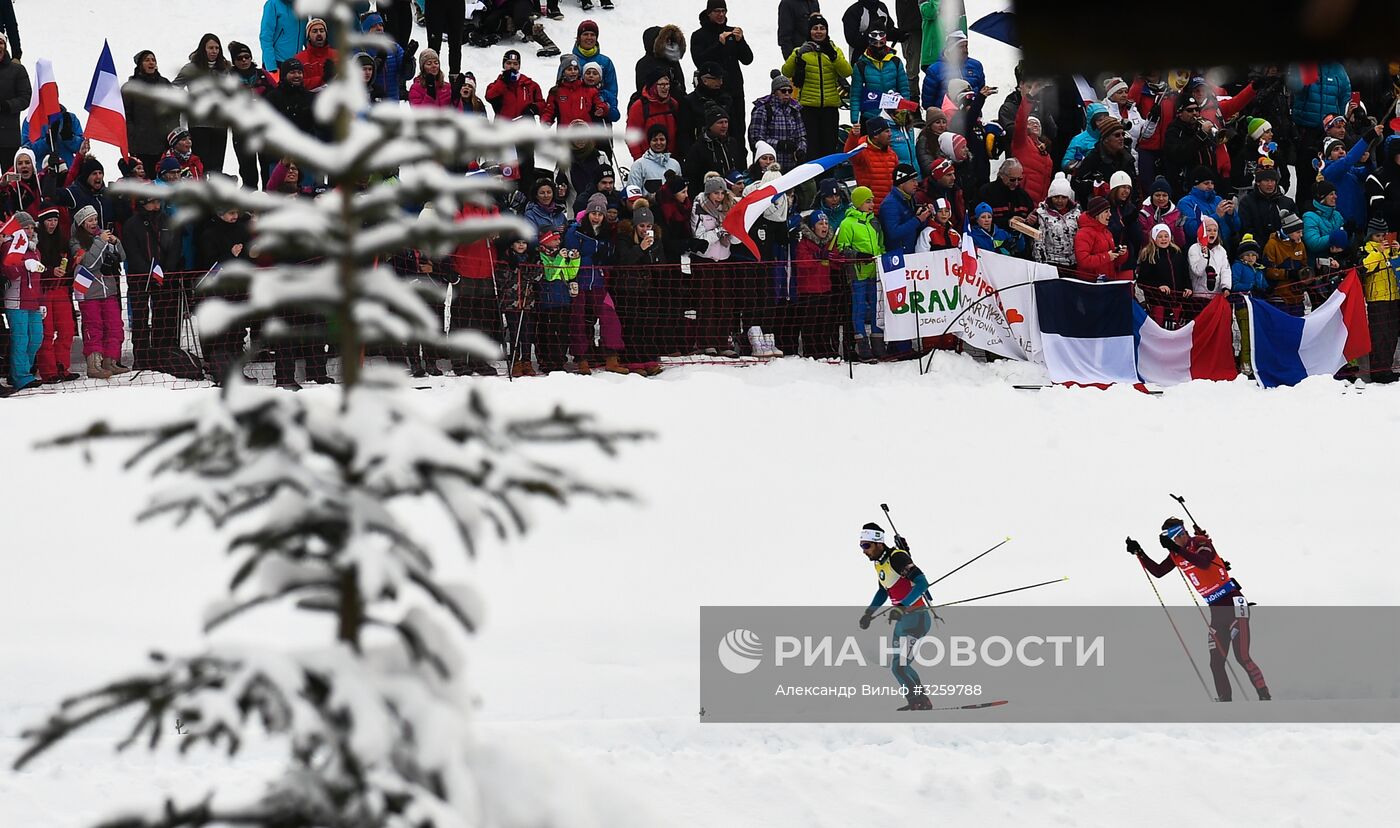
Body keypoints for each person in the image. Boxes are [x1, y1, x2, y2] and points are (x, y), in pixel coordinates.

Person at [1127, 519, 1272, 702]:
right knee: (1216, 663)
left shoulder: (1201, 542)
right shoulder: (1176, 554)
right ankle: (1226, 704)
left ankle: (1265, 697)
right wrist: (1139, 552)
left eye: (1170, 538)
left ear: (1179, 534)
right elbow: (1158, 571)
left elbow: (1203, 563)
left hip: (1234, 604)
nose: (1171, 542)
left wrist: (1177, 549)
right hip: (1217, 612)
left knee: (1241, 656)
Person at [856, 522, 934, 712]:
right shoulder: (879, 564)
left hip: (916, 618)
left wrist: (902, 606)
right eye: (861, 546)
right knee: (899, 666)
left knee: (899, 667)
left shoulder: (897, 557)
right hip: (903, 622)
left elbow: (922, 583)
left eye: (867, 546)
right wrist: (868, 613)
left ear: (878, 542)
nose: (864, 551)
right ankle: (919, 701)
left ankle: (919, 702)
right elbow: (883, 590)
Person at [564, 193, 629, 374]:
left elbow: (610, 255)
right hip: (579, 280)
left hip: (599, 281)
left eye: (600, 214)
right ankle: (581, 358)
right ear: (588, 213)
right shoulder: (575, 230)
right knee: (578, 319)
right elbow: (572, 254)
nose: (597, 217)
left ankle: (611, 356)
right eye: (594, 213)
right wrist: (593, 252)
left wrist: (601, 253)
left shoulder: (608, 232)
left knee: (609, 315)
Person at [69, 205, 127, 379]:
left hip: (108, 289)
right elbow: (88, 263)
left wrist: (116, 243)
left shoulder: (102, 237)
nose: (94, 223)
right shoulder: (75, 242)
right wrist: (101, 242)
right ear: (81, 223)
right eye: (90, 220)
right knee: (93, 327)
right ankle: (93, 364)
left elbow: (122, 257)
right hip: (88, 292)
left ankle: (111, 361)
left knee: (115, 325)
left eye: (95, 219)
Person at [781, 14, 850, 161]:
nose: (819, 32)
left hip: (830, 107)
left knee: (829, 148)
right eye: (815, 28)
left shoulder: (834, 50)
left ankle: (828, 181)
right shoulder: (800, 51)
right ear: (809, 31)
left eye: (822, 28)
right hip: (808, 107)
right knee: (811, 148)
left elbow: (847, 72)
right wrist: (798, 54)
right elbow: (786, 72)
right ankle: (814, 183)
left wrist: (832, 55)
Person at [1289, 62, 1351, 209]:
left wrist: (1341, 122)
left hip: (1330, 131)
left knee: (1330, 174)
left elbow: (1345, 96)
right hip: (1307, 129)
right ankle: (1305, 212)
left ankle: (1331, 212)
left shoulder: (1338, 68)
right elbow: (1295, 87)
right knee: (1306, 175)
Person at [690, 0, 754, 139]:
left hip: (735, 91)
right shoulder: (698, 35)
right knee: (717, 133)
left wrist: (740, 41)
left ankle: (740, 160)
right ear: (709, 13)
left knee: (737, 133)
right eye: (717, 11)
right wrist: (719, 44)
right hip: (712, 94)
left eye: (723, 11)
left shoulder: (732, 32)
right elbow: (699, 62)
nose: (721, 14)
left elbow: (748, 59)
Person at [835, 185, 885, 359]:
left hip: (875, 273)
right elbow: (842, 248)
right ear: (858, 203)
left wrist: (883, 259)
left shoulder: (875, 222)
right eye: (868, 201)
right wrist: (857, 255)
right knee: (859, 308)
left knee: (877, 309)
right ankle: (862, 344)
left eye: (872, 201)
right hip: (858, 273)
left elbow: (881, 244)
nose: (872, 204)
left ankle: (878, 343)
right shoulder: (847, 223)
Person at [31, 205, 77, 383]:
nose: (52, 224)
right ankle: (48, 371)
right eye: (49, 220)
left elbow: (70, 263)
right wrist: (51, 271)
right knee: (47, 333)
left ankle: (62, 367)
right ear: (42, 222)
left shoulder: (62, 239)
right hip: (43, 291)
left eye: (55, 220)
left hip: (61, 289)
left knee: (66, 330)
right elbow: (34, 266)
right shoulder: (37, 242)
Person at [174, 34, 232, 174]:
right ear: (203, 49)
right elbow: (174, 88)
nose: (214, 51)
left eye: (217, 48)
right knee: (201, 164)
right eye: (210, 47)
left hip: (220, 123)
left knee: (217, 166)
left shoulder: (225, 69)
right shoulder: (191, 68)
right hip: (199, 123)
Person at [2, 210, 43, 389]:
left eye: (31, 227)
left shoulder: (35, 249)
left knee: (36, 337)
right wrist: (23, 265)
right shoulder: (10, 246)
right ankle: (21, 375)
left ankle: (21, 371)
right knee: (21, 339)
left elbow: (39, 278)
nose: (29, 231)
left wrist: (41, 301)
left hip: (33, 301)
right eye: (25, 227)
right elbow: (9, 271)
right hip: (16, 299)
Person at [227, 43, 276, 187]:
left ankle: (269, 202)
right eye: (239, 58)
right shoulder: (229, 78)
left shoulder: (262, 74)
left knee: (267, 170)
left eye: (247, 57)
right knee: (248, 172)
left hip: (263, 129)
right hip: (242, 131)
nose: (244, 60)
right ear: (234, 61)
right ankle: (250, 205)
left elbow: (277, 93)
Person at [1359, 217, 1400, 382]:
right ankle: (1377, 371)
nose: (1382, 239)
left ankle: (1387, 369)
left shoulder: (1391, 251)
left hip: (1394, 297)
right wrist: (1379, 252)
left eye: (1384, 235)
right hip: (1377, 299)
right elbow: (1364, 267)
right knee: (1379, 335)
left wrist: (1397, 252)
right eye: (1378, 236)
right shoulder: (1366, 251)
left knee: (1391, 334)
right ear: (1370, 237)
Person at [1136, 223, 1192, 327]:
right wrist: (1158, 286)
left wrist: (1188, 287)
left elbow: (1185, 273)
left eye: (1166, 236)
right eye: (1160, 236)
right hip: (1158, 305)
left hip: (1178, 303)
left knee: (1177, 330)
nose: (1163, 239)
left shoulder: (1177, 253)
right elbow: (1142, 281)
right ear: (1153, 238)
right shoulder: (1149, 255)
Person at [749, 73, 806, 173]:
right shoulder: (763, 110)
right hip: (769, 168)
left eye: (790, 91)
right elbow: (756, 139)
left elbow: (801, 136)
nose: (787, 93)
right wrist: (779, 144)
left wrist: (801, 150)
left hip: (792, 166)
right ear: (775, 92)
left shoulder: (795, 110)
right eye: (783, 91)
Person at [849, 29, 909, 126]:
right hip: (870, 116)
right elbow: (855, 94)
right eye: (874, 43)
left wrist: (905, 110)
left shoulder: (895, 62)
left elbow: (904, 89)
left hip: (893, 115)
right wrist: (855, 120)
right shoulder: (861, 65)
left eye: (881, 43)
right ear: (869, 43)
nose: (878, 46)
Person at [684, 106, 744, 196]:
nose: (724, 126)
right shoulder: (698, 147)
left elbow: (740, 167)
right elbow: (692, 178)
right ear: (710, 125)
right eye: (720, 122)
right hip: (710, 197)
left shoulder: (732, 143)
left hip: (733, 196)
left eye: (726, 122)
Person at [921, 31, 984, 112]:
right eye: (961, 47)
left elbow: (981, 93)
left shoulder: (976, 66)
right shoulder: (935, 70)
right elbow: (927, 103)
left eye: (966, 46)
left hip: (972, 116)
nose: (965, 50)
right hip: (946, 119)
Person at [844, 117, 900, 209]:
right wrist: (853, 136)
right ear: (876, 135)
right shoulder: (862, 151)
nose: (890, 134)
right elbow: (850, 153)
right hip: (871, 210)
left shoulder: (892, 153)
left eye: (890, 131)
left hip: (890, 208)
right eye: (886, 131)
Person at [1236, 164, 1295, 245]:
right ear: (1258, 182)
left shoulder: (1287, 202)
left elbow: (1295, 228)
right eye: (1266, 180)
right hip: (1257, 249)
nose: (1270, 184)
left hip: (1283, 247)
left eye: (1272, 180)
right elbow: (1245, 229)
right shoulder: (1246, 202)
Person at [626, 77, 681, 161]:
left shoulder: (673, 104)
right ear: (653, 86)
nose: (665, 88)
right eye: (662, 85)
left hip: (671, 159)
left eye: (667, 84)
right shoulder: (639, 107)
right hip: (646, 160)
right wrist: (639, 159)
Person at [1074, 196, 1127, 281]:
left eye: (1109, 211)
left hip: (1107, 280)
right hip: (1090, 284)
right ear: (1096, 215)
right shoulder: (1083, 234)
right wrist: (1106, 257)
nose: (1110, 214)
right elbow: (1083, 261)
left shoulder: (1107, 232)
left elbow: (1113, 261)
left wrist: (1120, 254)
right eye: (1106, 212)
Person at [1033, 173, 1080, 269]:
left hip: (1072, 263)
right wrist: (1041, 265)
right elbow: (1039, 242)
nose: (1060, 201)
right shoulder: (1042, 214)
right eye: (1056, 197)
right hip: (1051, 263)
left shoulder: (1076, 214)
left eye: (1064, 197)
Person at [634, 25, 688, 106]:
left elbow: (681, 86)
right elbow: (644, 91)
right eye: (665, 40)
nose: (668, 43)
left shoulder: (672, 61)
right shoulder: (645, 63)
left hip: (676, 107)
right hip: (655, 109)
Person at [0, 30, 26, 170]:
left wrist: (7, 106)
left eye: (1, 42)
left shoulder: (17, 70)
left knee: (11, 182)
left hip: (9, 139)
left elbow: (25, 97)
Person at [1188, 216, 1231, 297]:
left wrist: (1226, 287)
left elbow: (1225, 270)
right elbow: (1198, 271)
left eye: (1215, 230)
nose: (1212, 233)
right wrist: (1204, 256)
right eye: (1209, 230)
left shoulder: (1221, 250)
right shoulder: (1194, 248)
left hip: (1217, 296)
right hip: (1200, 295)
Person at [293, 18, 338, 91]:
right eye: (314, 31)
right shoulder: (299, 59)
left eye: (322, 30)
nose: (319, 33)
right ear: (308, 36)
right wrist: (322, 79)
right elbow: (298, 83)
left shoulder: (337, 56)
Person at [260, 0, 305, 72]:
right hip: (277, 62)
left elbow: (306, 36)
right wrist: (271, 66)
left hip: (297, 63)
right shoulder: (273, 4)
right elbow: (266, 37)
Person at [424, 0, 465, 76]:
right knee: (434, 46)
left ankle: (455, 80)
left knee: (455, 44)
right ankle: (431, 80)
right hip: (435, 4)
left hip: (456, 4)